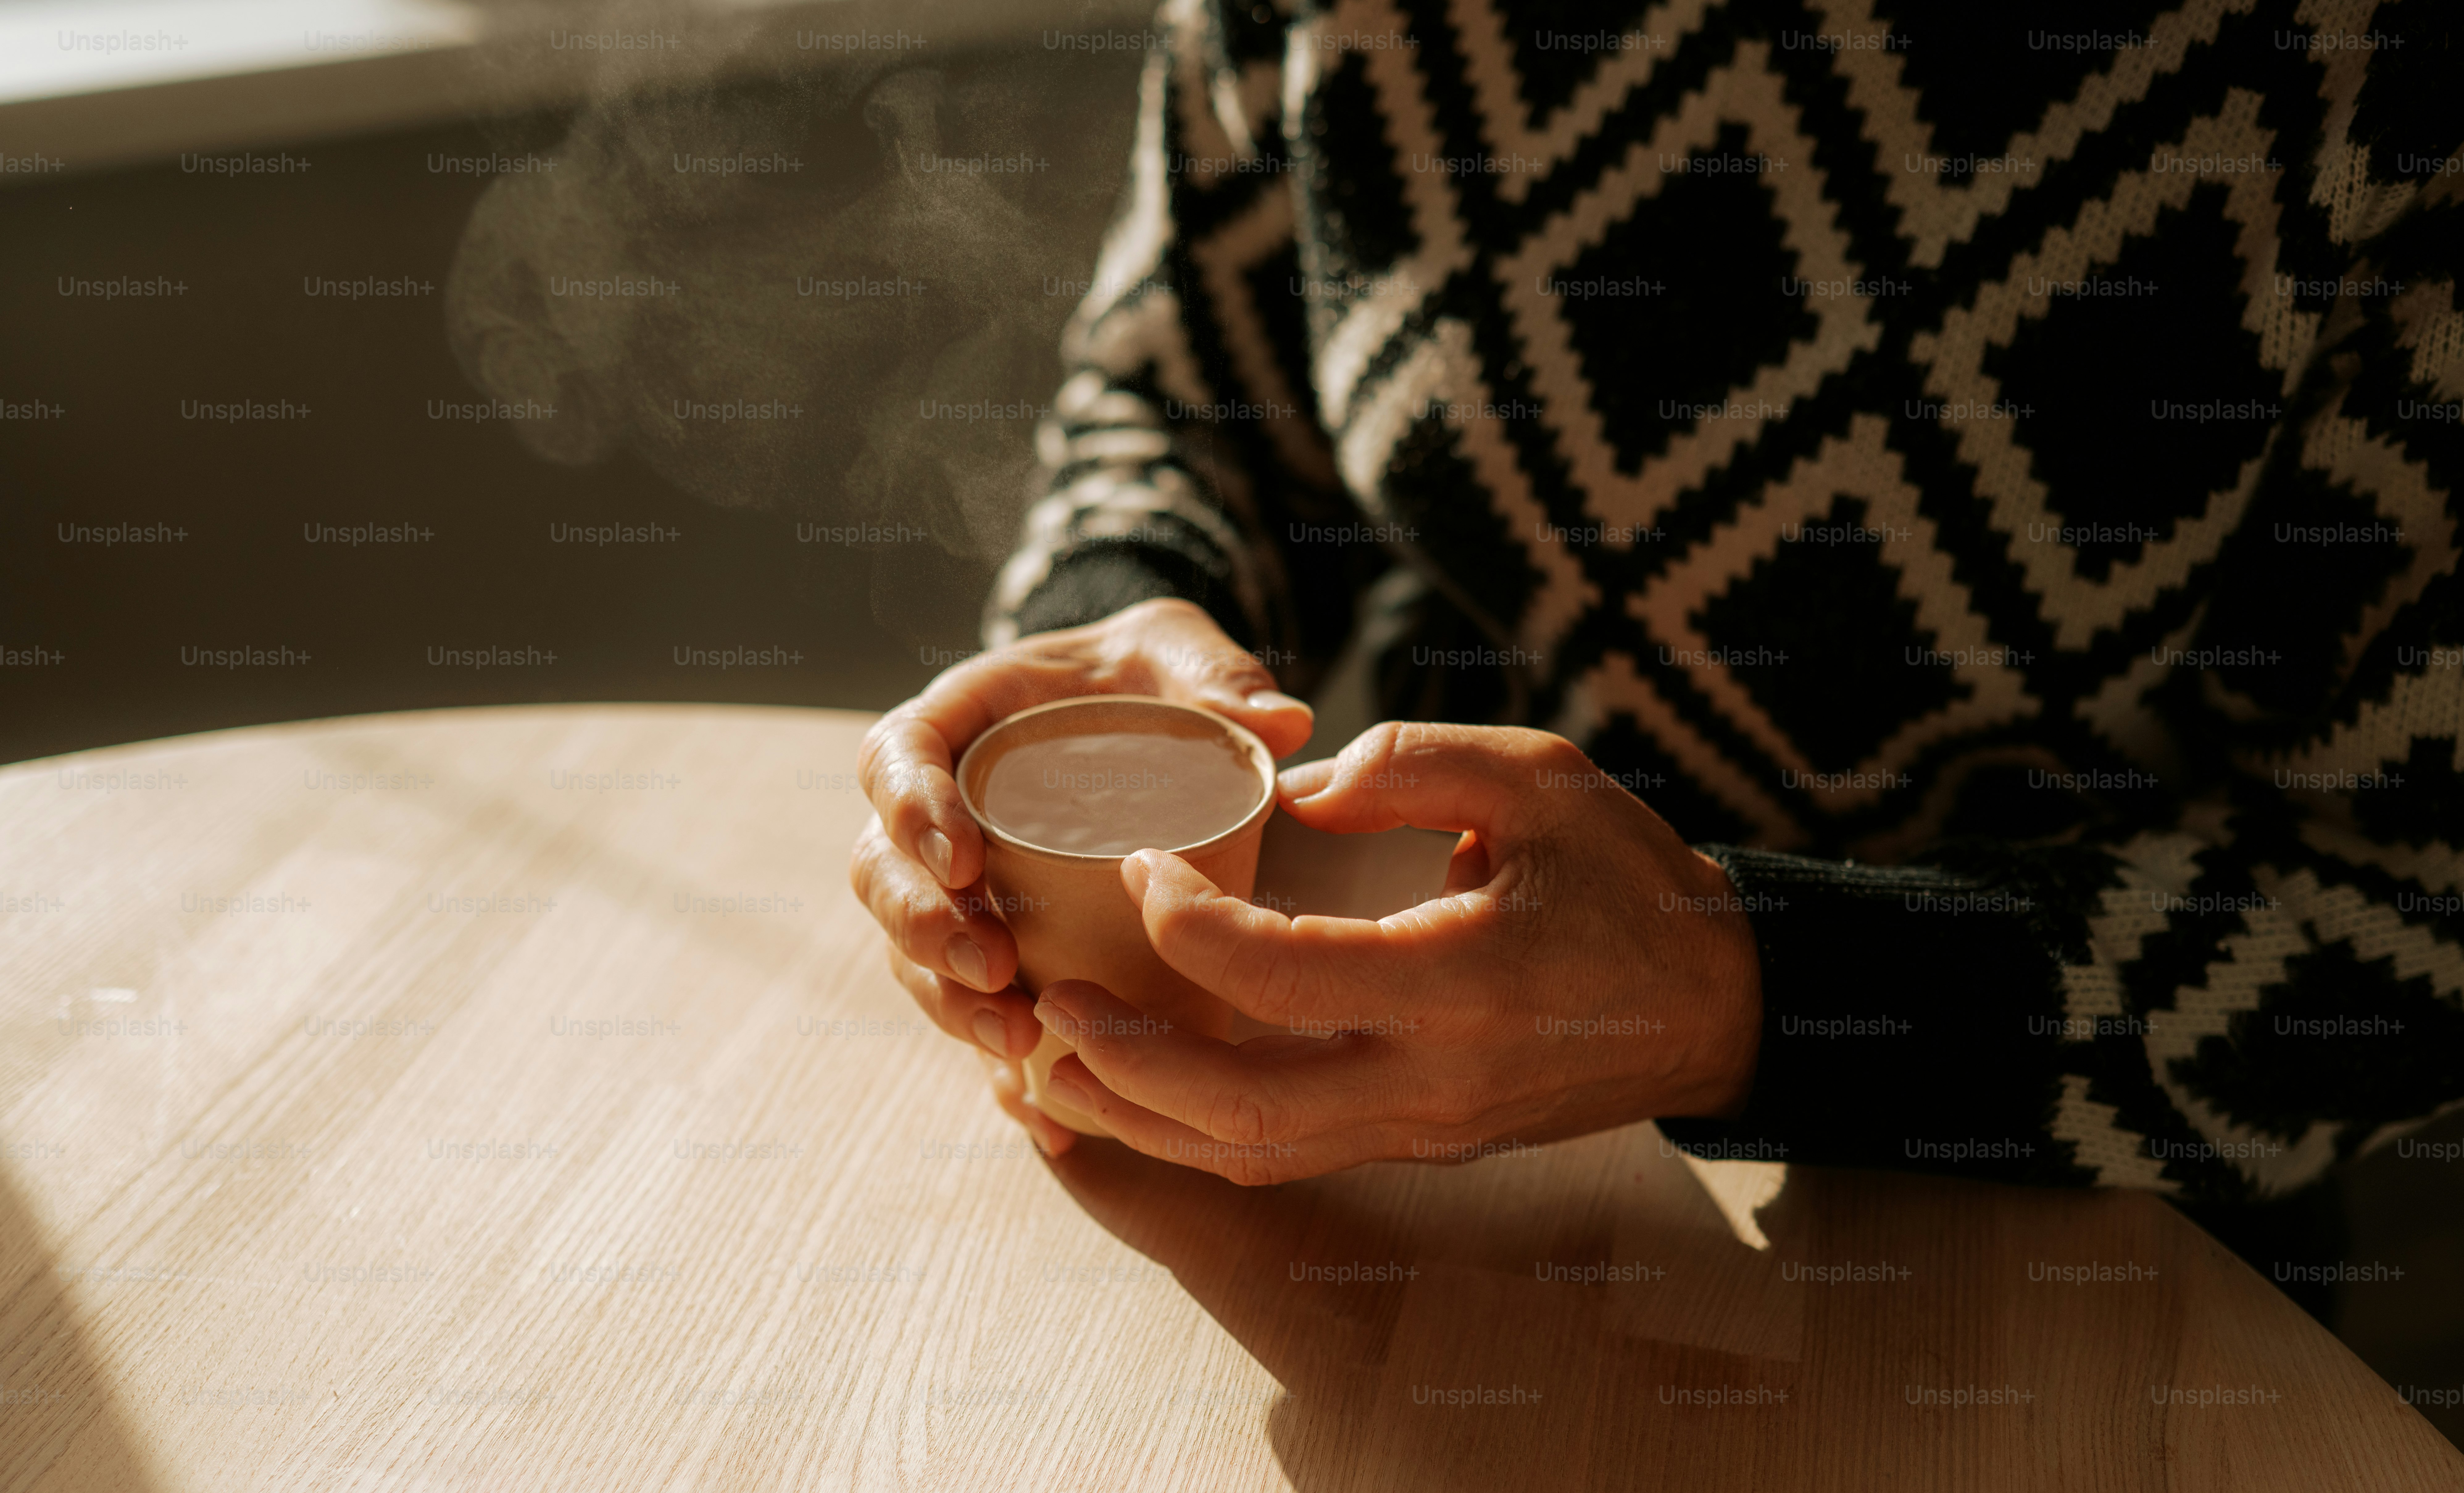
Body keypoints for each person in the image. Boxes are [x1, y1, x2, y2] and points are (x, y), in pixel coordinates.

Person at [850, 0, 2462, 1292]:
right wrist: (1118, 602)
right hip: (1417, 1202)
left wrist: (1751, 991)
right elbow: (1178, 389)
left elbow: (2421, 911)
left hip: (2087, 1237)